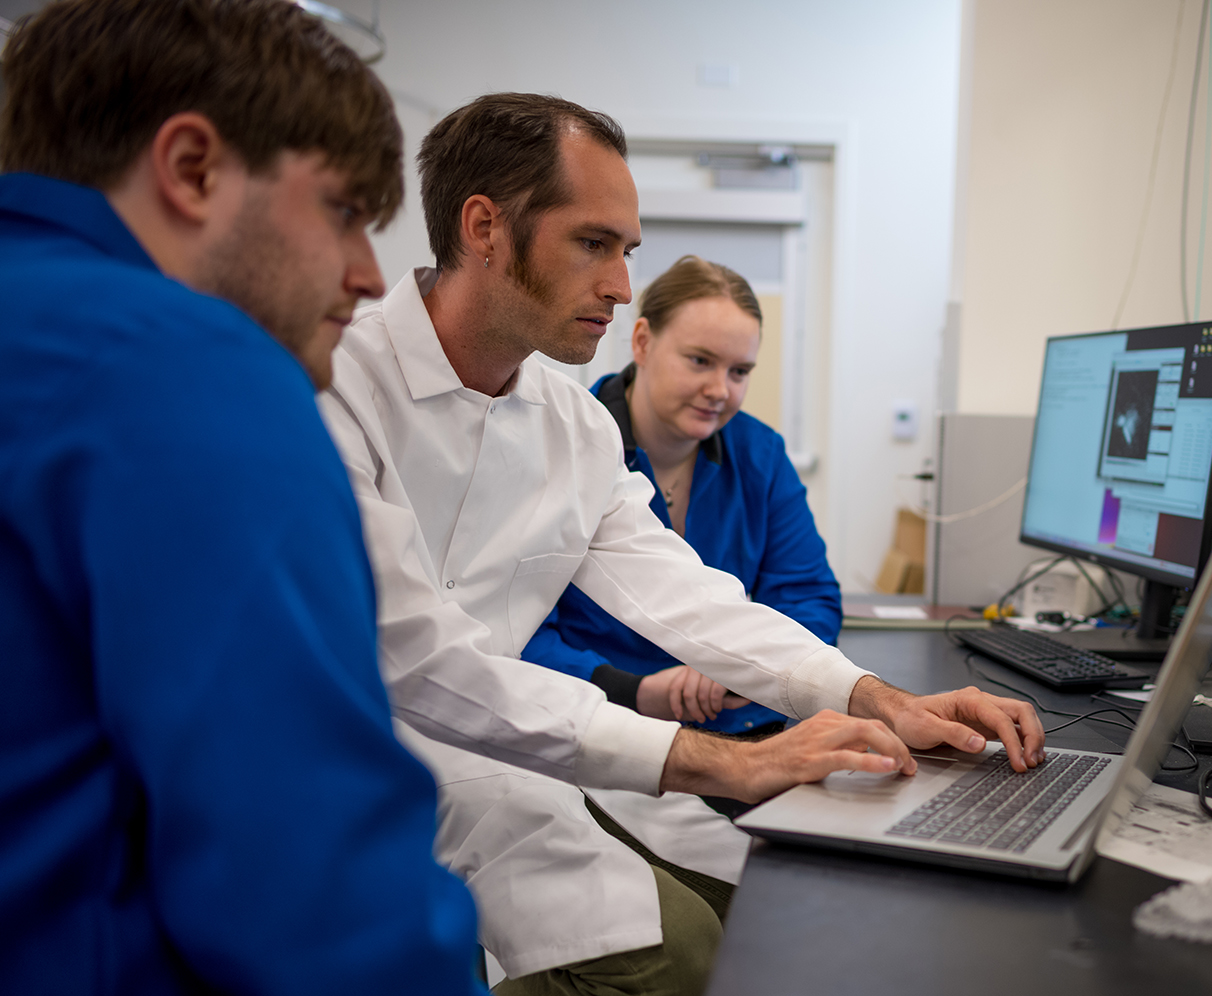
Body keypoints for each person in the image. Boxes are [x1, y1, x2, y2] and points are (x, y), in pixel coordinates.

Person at [317, 91, 1047, 996]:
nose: (622, 286)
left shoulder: (568, 427)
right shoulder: (334, 383)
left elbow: (688, 596)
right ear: (485, 228)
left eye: (627, 252)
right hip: (356, 771)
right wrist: (728, 761)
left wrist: (880, 697)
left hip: (517, 756)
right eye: (594, 244)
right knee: (675, 957)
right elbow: (417, 663)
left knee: (763, 918)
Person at [0, 1, 483, 993]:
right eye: (344, 211)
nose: (366, 275)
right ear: (192, 168)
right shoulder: (180, 363)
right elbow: (318, 895)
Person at [522, 255, 838, 745]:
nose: (719, 390)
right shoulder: (559, 446)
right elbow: (515, 629)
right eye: (700, 361)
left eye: (739, 371)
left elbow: (807, 595)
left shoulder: (760, 455)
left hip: (736, 728)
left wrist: (741, 670)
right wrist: (636, 690)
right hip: (595, 727)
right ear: (643, 341)